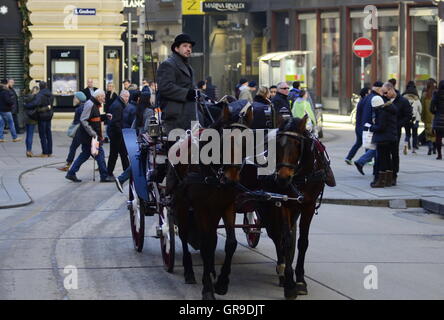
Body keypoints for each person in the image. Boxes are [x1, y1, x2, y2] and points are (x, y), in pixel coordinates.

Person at [66, 89, 114, 183]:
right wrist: (93, 134)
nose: (104, 99)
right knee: (99, 154)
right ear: (98, 97)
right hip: (90, 136)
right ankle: (104, 176)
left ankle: (71, 173)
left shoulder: (93, 104)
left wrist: (104, 116)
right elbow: (84, 120)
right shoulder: (90, 104)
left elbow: (94, 117)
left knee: (85, 154)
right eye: (103, 97)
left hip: (88, 135)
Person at [156, 33, 198, 134]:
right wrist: (187, 93)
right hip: (176, 118)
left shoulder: (189, 67)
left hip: (189, 116)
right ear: (176, 48)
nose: (188, 49)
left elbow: (191, 88)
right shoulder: (168, 64)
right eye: (185, 46)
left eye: (190, 47)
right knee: (176, 148)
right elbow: (165, 87)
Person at [353, 81, 384, 175]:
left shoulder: (366, 98)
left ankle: (374, 169)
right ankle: (361, 161)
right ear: (378, 88)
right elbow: (375, 114)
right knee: (377, 148)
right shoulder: (376, 98)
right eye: (382, 89)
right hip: (373, 128)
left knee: (374, 147)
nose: (383, 91)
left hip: (366, 126)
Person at [368, 95, 398, 188]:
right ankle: (388, 180)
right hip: (390, 138)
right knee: (388, 160)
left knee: (382, 160)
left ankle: (381, 182)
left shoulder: (382, 112)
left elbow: (381, 127)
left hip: (383, 139)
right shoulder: (389, 109)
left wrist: (371, 127)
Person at [57, 92, 87, 171]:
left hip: (80, 131)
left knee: (73, 147)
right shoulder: (84, 106)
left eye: (75, 98)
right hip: (84, 131)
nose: (73, 99)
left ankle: (68, 164)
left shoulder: (79, 109)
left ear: (79, 99)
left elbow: (78, 121)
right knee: (88, 149)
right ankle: (101, 164)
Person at [107, 90, 130, 177]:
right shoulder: (118, 106)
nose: (127, 99)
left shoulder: (119, 104)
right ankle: (109, 173)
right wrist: (121, 132)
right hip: (116, 134)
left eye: (128, 97)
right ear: (121, 96)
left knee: (123, 153)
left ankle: (127, 171)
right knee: (114, 154)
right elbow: (115, 122)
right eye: (125, 96)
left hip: (117, 133)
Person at [345, 87, 370, 165]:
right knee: (367, 143)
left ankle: (349, 157)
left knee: (358, 143)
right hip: (362, 127)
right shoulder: (365, 103)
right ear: (366, 94)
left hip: (358, 126)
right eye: (369, 93)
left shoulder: (361, 102)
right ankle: (368, 159)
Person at [32, 81, 54, 157]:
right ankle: (50, 152)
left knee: (42, 135)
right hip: (49, 115)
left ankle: (45, 152)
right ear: (46, 86)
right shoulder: (50, 94)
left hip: (42, 116)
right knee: (48, 134)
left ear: (40, 87)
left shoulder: (39, 95)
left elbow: (36, 104)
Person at [402, 81, 422, 153]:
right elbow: (420, 109)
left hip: (406, 118)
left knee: (407, 133)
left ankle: (406, 145)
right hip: (415, 119)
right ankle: (414, 149)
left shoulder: (404, 98)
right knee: (414, 134)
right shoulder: (417, 99)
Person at [421, 78, 437, 155]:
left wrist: (422, 116)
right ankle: (434, 148)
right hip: (435, 115)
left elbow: (422, 107)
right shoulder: (436, 94)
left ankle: (430, 145)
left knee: (428, 133)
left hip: (427, 115)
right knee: (435, 132)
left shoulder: (425, 95)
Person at [23, 85, 40, 157]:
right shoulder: (36, 98)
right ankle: (29, 151)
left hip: (26, 117)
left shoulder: (27, 97)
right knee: (30, 135)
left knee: (28, 135)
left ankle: (27, 149)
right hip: (32, 118)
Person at [430, 80, 444, 160]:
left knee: (438, 137)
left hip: (438, 119)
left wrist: (436, 113)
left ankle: (439, 154)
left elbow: (431, 108)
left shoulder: (436, 94)